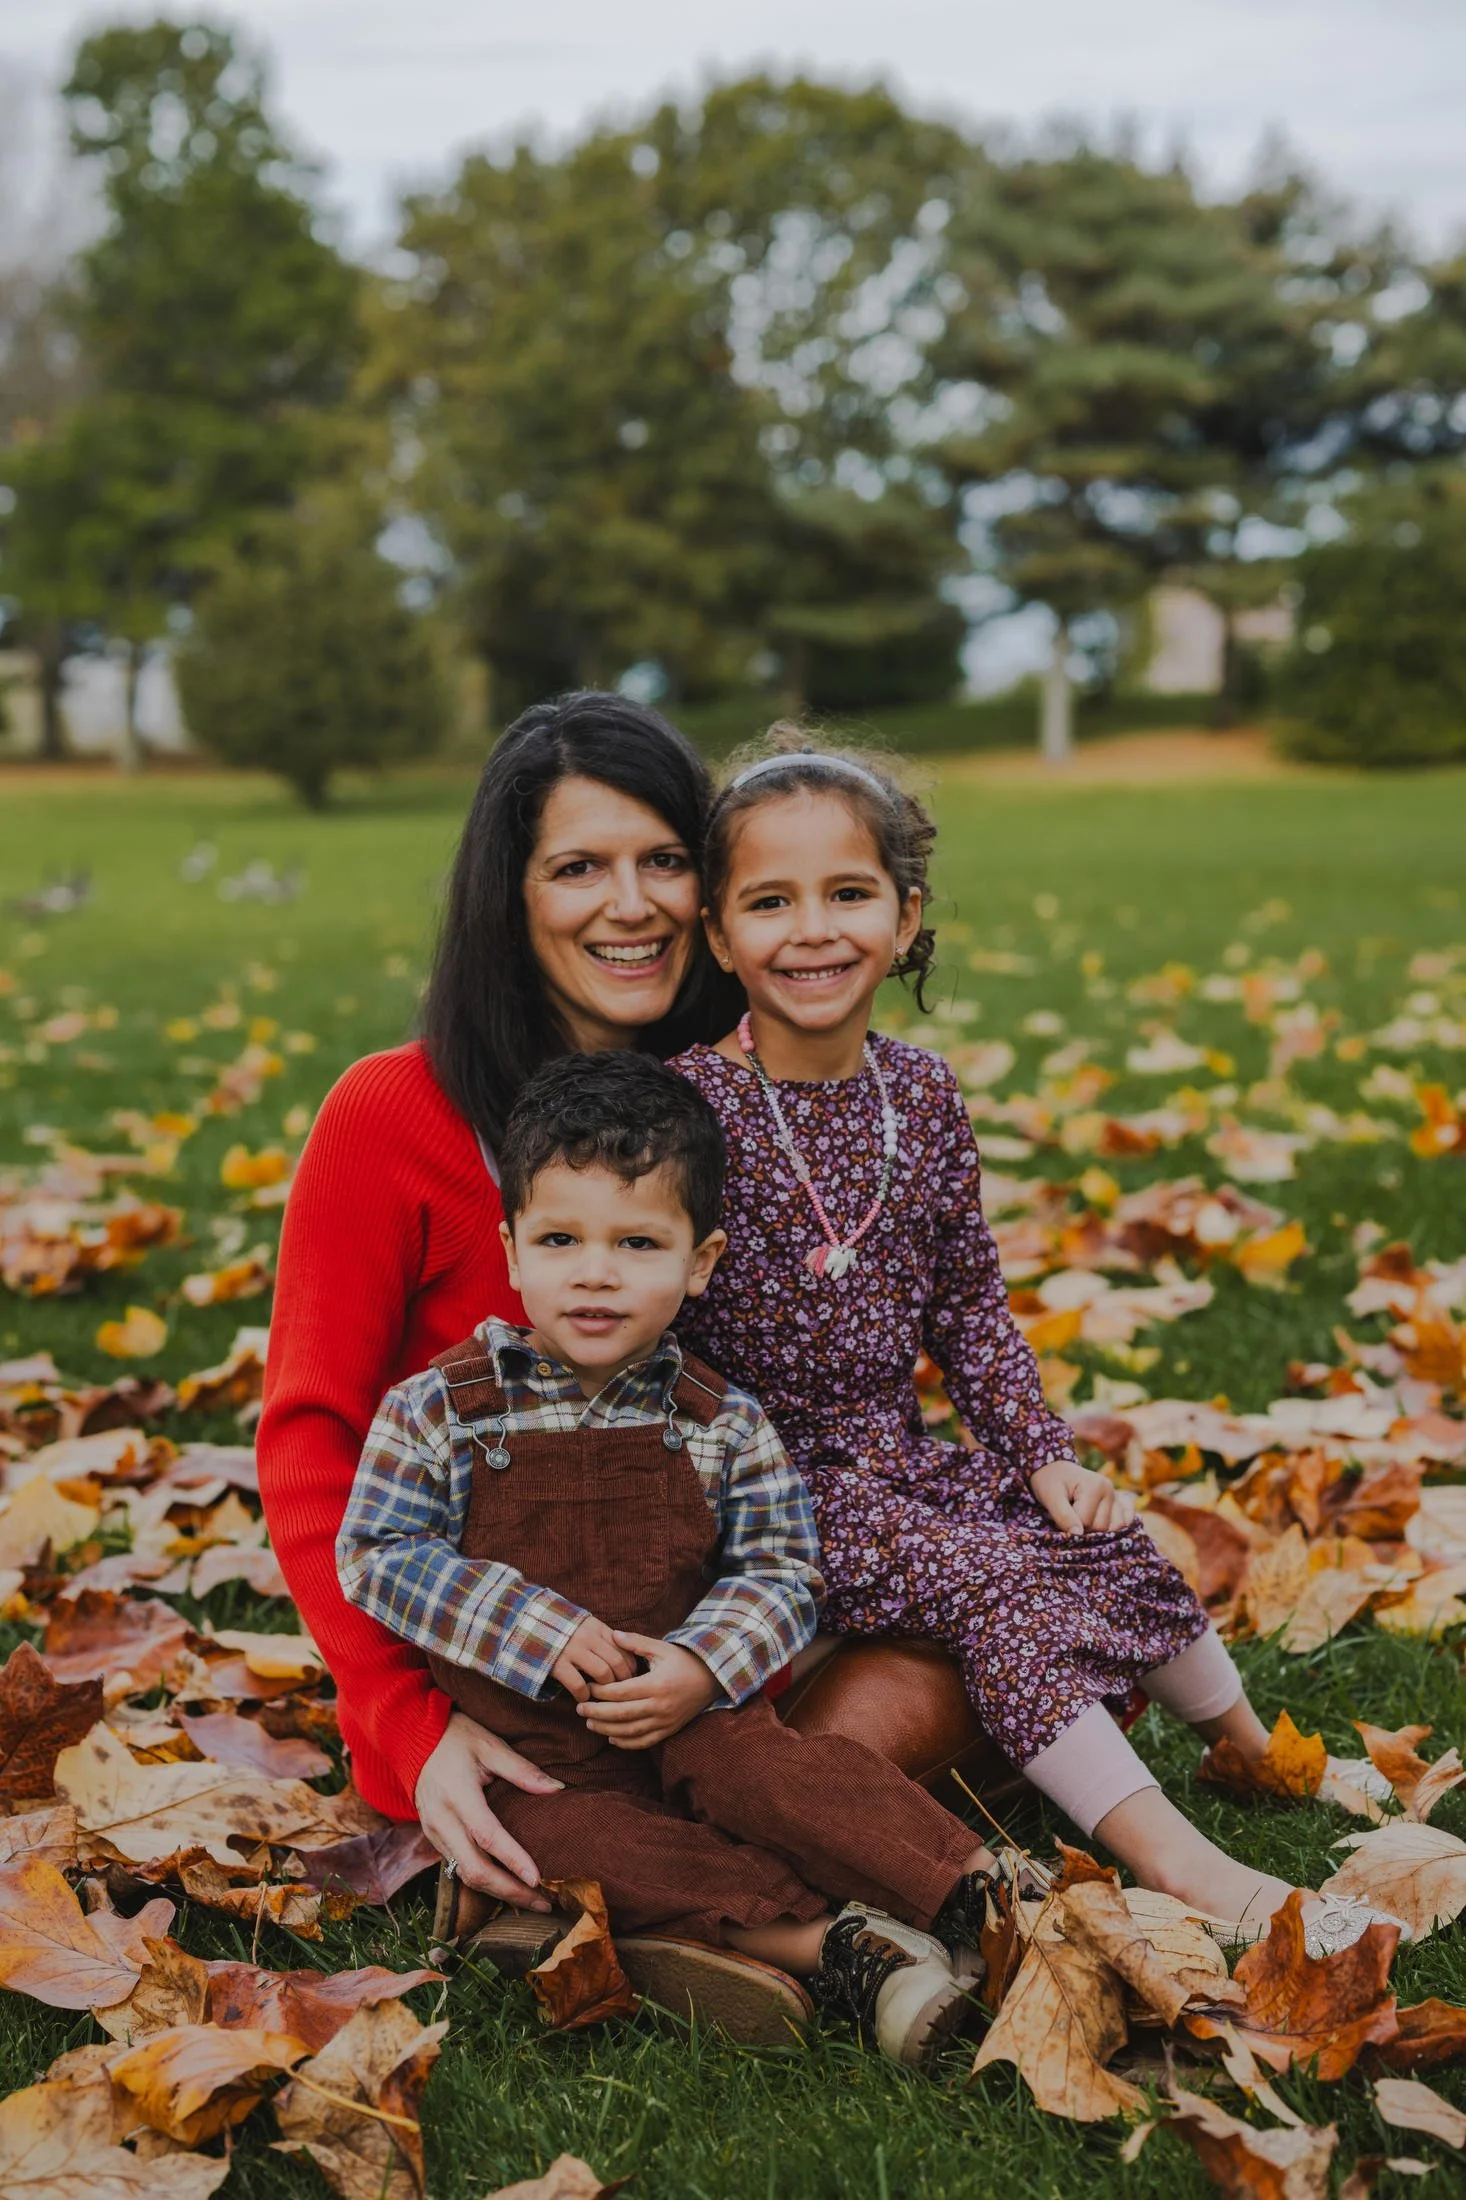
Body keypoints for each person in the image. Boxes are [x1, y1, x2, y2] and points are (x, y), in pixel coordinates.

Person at [671, 732, 1403, 1955]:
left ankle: (1250, 1754)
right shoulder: (691, 1106)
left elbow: (968, 1305)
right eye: (769, 901)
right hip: (766, 1489)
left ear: (904, 919)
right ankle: (1184, 1866)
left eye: (848, 894)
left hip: (893, 1456)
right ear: (716, 934)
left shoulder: (922, 1094)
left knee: (1103, 1533)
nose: (812, 930)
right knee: (994, 1583)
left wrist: (1041, 1451)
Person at [339, 1052, 1012, 2068]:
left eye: (637, 1242)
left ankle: (980, 1897)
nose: (595, 1271)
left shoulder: (718, 1419)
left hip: (693, 1719)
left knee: (773, 1770)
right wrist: (534, 1625)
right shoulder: (441, 1409)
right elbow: (377, 1553)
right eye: (560, 1238)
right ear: (511, 1250)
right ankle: (841, 1948)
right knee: (558, 1843)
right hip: (540, 1754)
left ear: (699, 1263)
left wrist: (701, 1665)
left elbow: (785, 1568)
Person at [256, 692, 742, 1906]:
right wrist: (405, 1722)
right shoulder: (388, 1113)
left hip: (695, 1644)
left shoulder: (729, 1104)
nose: (629, 906)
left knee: (965, 1669)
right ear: (509, 895)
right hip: (478, 1663)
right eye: (578, 866)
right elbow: (310, 1442)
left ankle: (666, 1883)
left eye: (664, 862)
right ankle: (716, 1899)